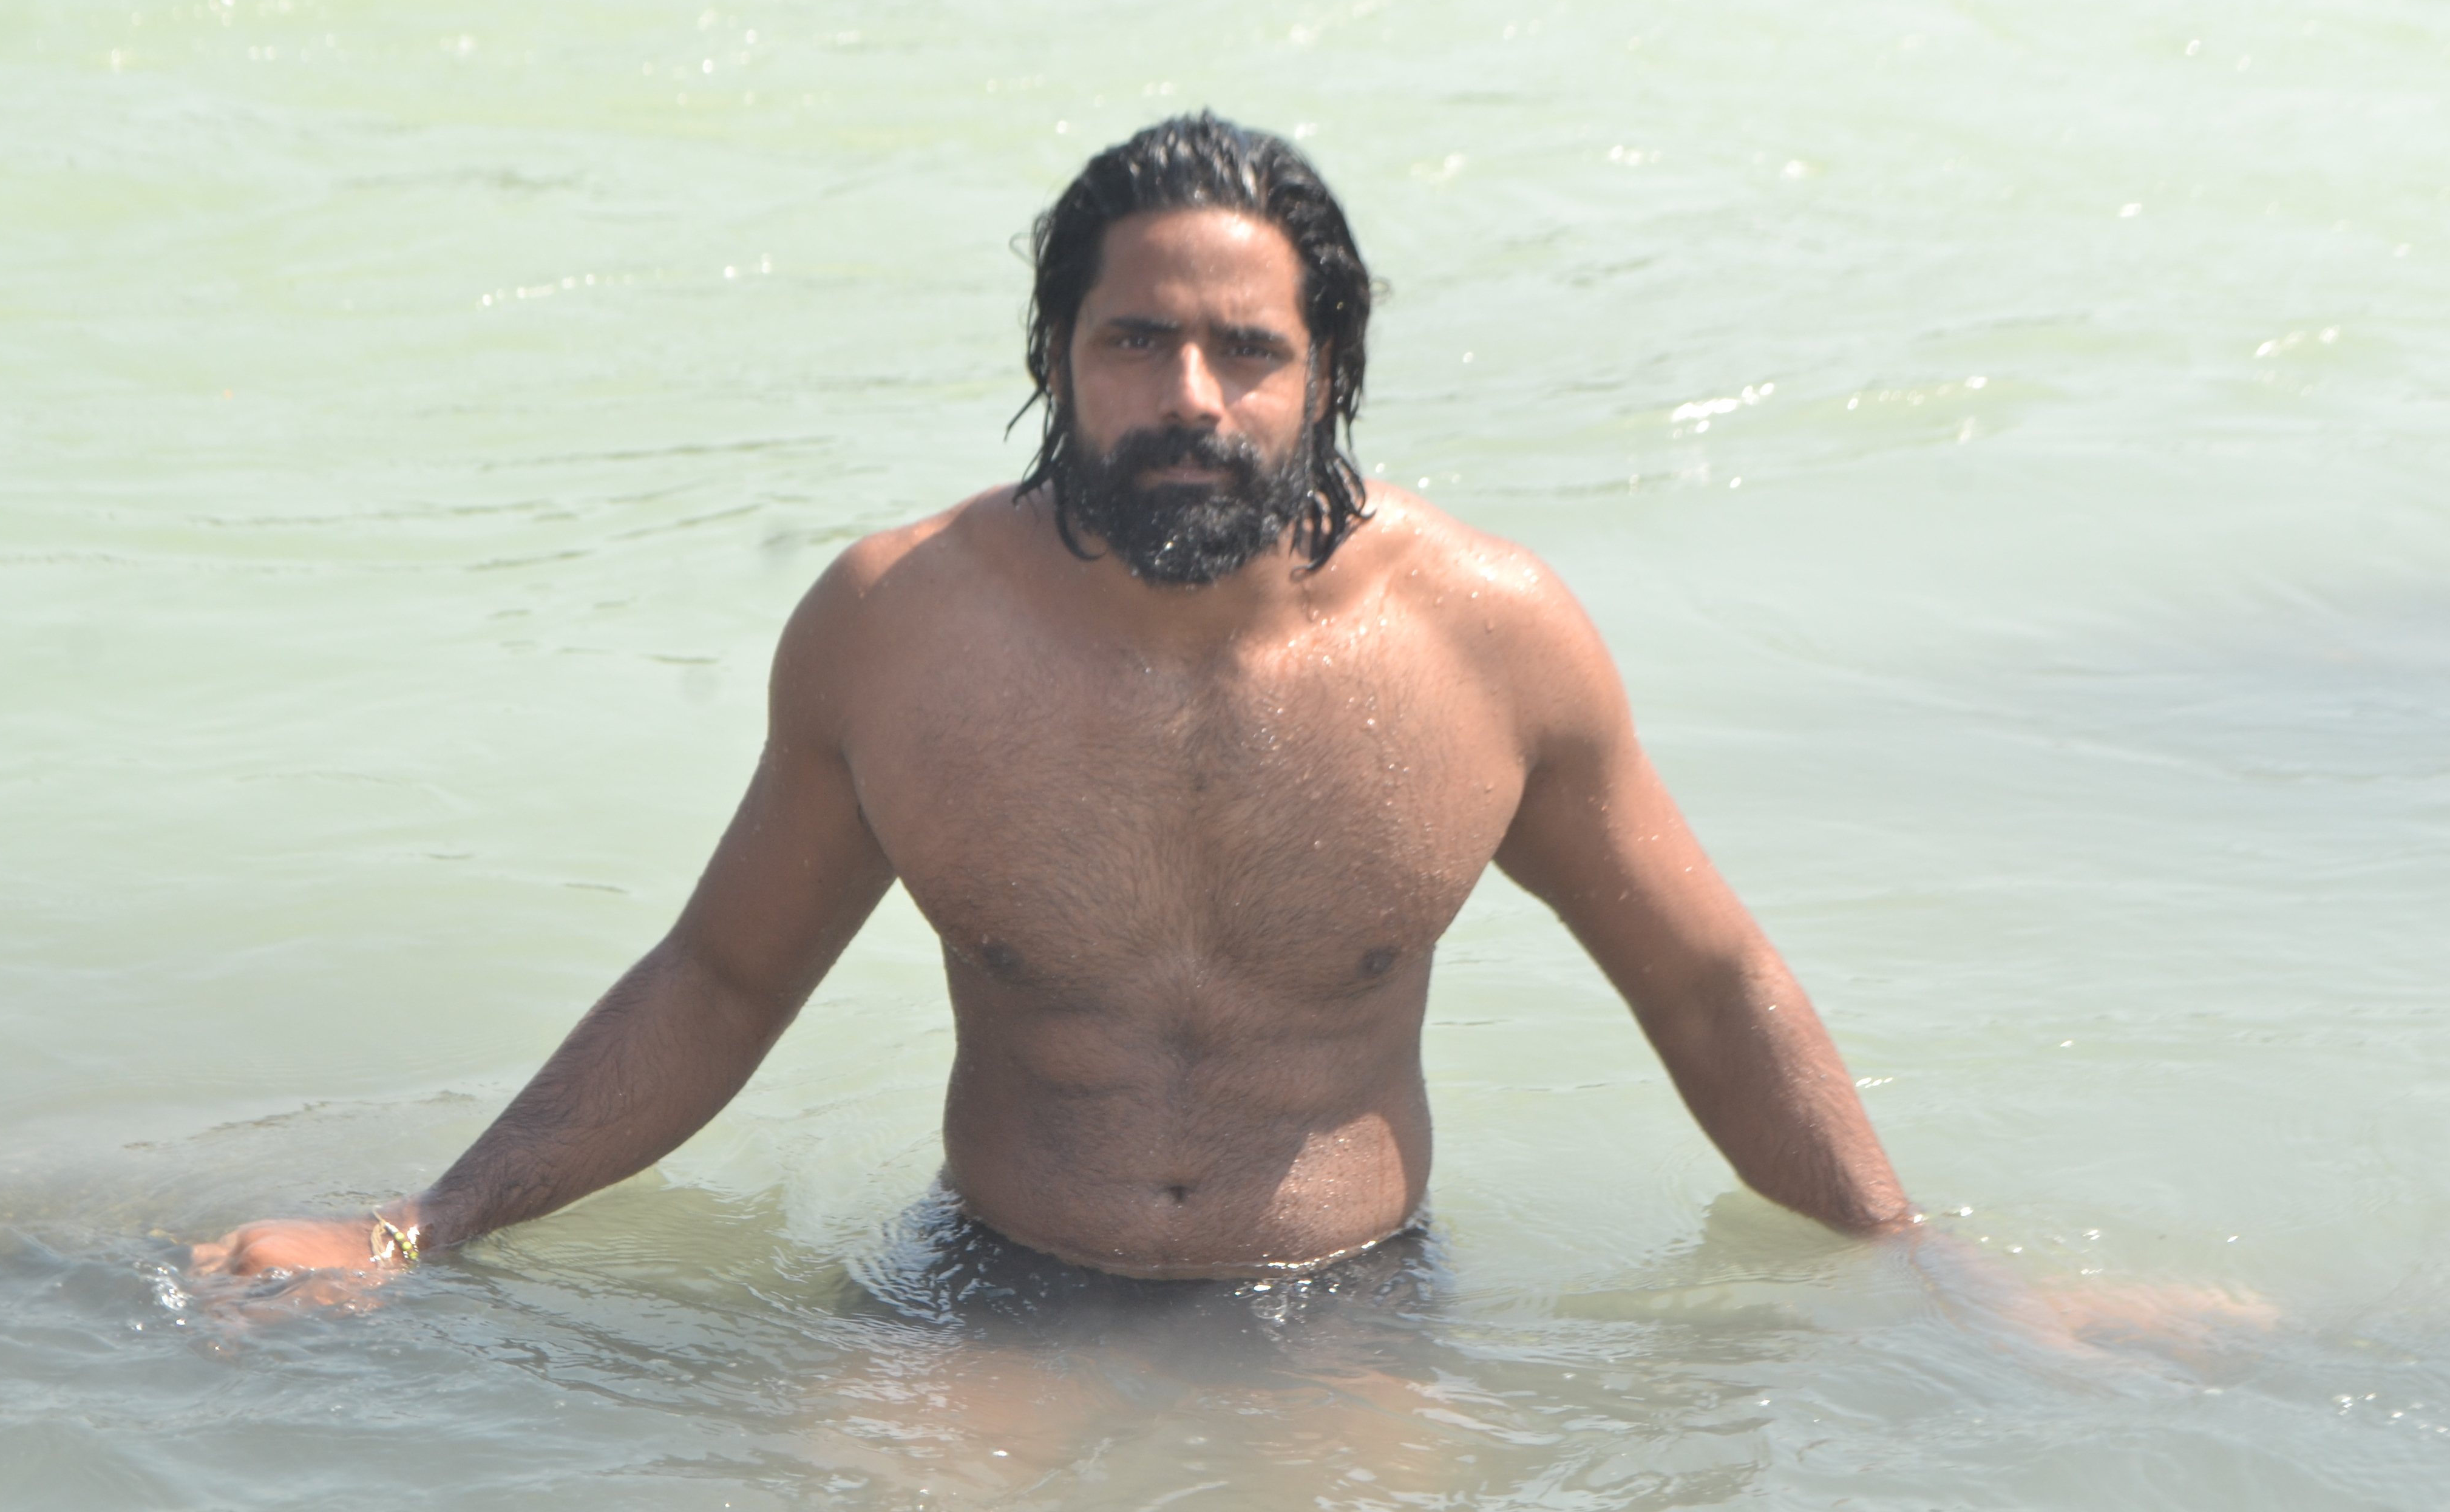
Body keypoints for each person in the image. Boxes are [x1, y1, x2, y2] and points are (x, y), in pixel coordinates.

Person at [195, 110, 1922, 1299]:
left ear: (1329, 375)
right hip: (990, 1285)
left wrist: (1919, 1273)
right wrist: (418, 1231)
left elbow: (1707, 987)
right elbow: (721, 983)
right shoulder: (897, 629)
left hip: (1352, 1302)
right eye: (1134, 341)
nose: (1191, 397)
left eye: (1249, 351)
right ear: (1055, 360)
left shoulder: (1494, 639)